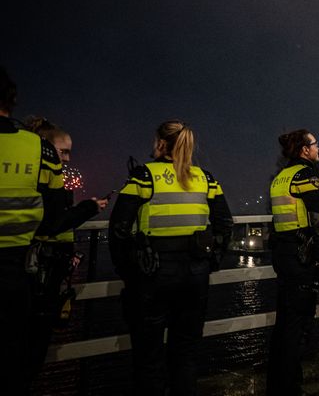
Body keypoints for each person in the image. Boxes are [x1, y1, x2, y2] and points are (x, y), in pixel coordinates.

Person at [108, 120, 233, 395]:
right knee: (186, 354)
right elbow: (225, 224)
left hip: (154, 275)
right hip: (194, 275)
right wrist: (211, 261)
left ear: (161, 143)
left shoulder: (144, 175)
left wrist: (129, 271)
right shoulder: (206, 178)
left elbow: (118, 228)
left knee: (148, 357)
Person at [24, 117, 108, 377]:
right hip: (38, 279)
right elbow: (54, 223)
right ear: (46, 148)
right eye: (64, 151)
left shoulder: (41, 179)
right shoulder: (45, 183)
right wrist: (89, 208)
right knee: (30, 354)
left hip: (42, 273)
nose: (68, 159)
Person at [0, 67, 66, 395]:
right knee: (15, 358)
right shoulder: (41, 150)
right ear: (11, 101)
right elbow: (54, 217)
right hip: (16, 271)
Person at [266, 129, 319, 395]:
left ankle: (277, 382)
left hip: (283, 253)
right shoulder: (306, 175)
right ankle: (291, 387)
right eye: (314, 145)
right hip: (302, 255)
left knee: (284, 322)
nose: (318, 149)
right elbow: (318, 217)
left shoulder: (280, 178)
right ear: (305, 150)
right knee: (298, 323)